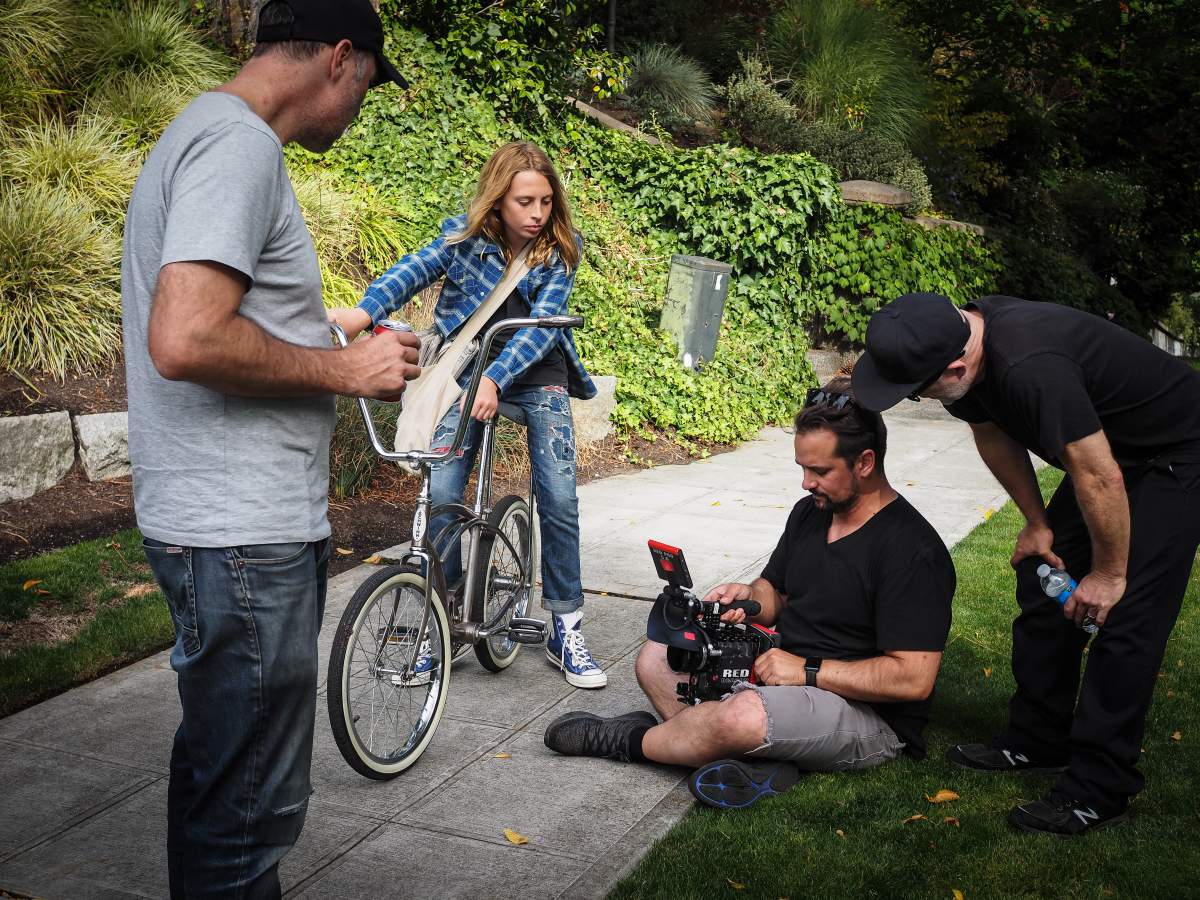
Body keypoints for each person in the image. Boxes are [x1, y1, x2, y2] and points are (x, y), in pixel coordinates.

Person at [121, 1, 420, 894]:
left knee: (222, 787)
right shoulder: (242, 146)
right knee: (246, 820)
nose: (362, 105)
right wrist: (345, 368)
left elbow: (212, 315)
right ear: (339, 58)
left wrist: (302, 327)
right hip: (241, 540)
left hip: (217, 531)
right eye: (367, 82)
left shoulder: (202, 131)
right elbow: (186, 340)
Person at [852, 292, 1200, 836]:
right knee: (1043, 578)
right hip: (1112, 454)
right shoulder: (960, 338)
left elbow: (1098, 476)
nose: (919, 400)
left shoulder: (1033, 366)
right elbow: (991, 433)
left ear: (957, 365)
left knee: (1126, 618)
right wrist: (1037, 522)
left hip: (1174, 451)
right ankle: (1039, 738)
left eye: (919, 392)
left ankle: (1098, 788)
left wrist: (1109, 576)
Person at [542, 378, 956, 808]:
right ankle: (749, 758)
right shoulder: (811, 514)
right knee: (657, 656)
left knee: (743, 716)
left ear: (865, 462)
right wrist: (749, 596)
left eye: (819, 471)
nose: (805, 483)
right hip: (784, 675)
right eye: (801, 468)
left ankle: (632, 739)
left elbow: (913, 679)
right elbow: (776, 591)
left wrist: (806, 671)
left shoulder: (912, 552)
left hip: (867, 714)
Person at [327, 140, 607, 688]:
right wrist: (361, 314)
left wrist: (497, 380)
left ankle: (565, 626)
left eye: (546, 201)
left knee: (558, 494)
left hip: (533, 370)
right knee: (444, 494)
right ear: (498, 200)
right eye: (525, 201)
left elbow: (541, 327)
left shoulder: (559, 249)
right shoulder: (465, 238)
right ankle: (442, 619)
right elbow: (414, 270)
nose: (537, 213)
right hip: (467, 369)